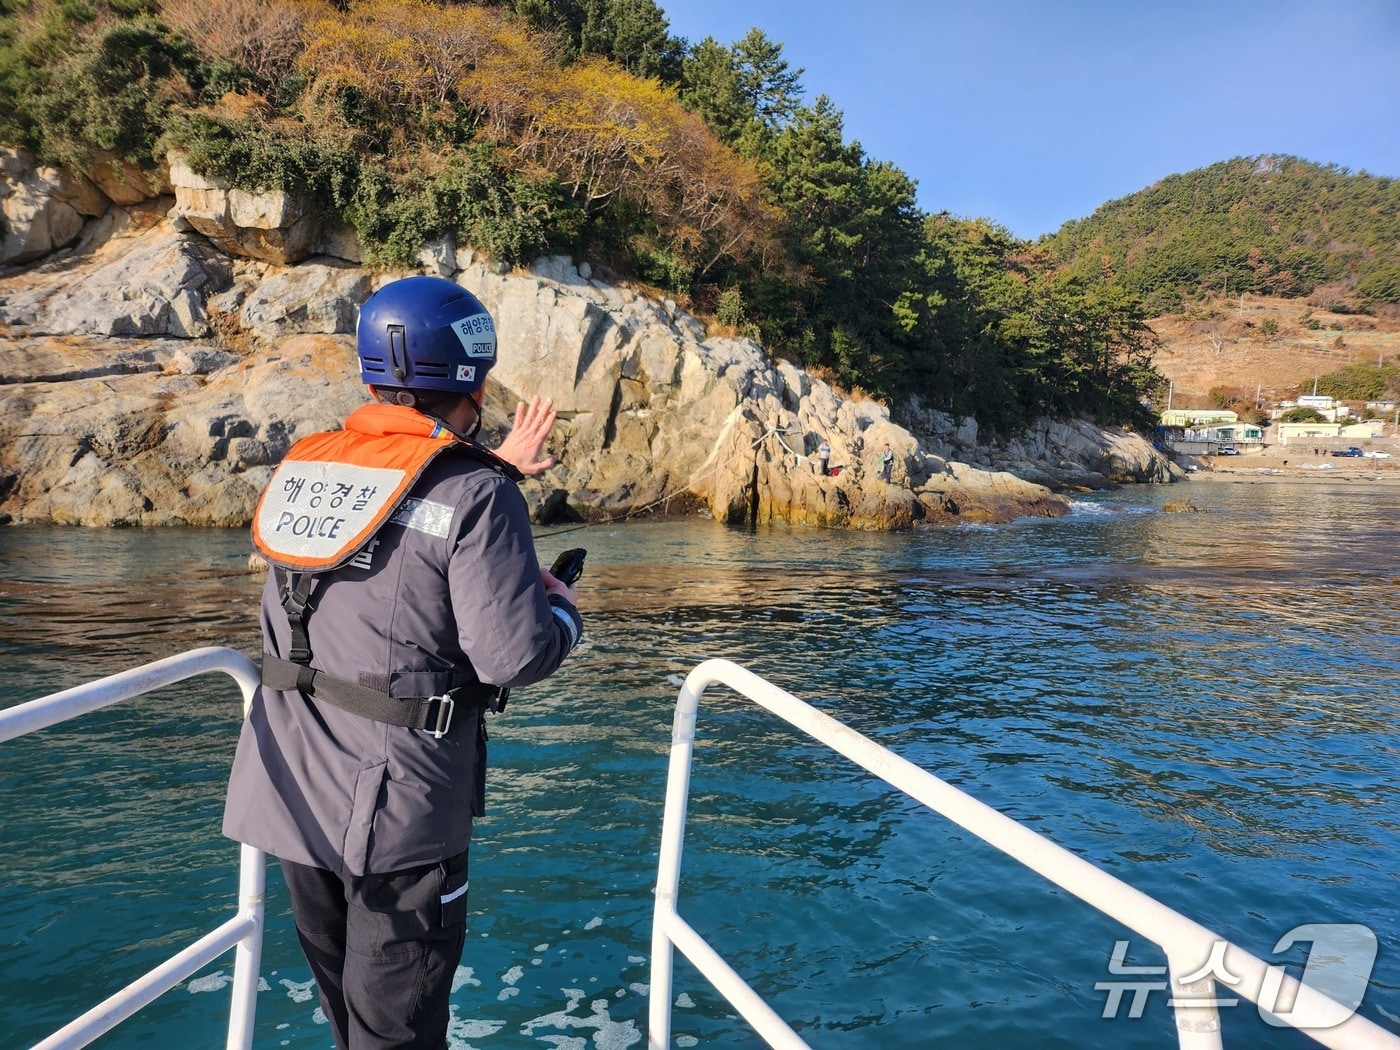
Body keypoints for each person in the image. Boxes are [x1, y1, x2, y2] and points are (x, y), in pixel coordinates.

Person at [222, 275, 583, 1050]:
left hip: (290, 786)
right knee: (399, 1029)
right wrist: (564, 612)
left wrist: (498, 471)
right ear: (475, 383)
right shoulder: (480, 495)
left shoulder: (311, 464)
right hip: (398, 814)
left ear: (370, 374)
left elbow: (392, 529)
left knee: (348, 1016)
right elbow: (512, 655)